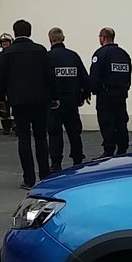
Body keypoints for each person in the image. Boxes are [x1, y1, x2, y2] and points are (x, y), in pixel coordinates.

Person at [0, 20, 57, 189]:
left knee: (24, 138)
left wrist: (1, 99)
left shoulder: (7, 54)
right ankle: (44, 174)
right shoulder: (40, 50)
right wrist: (54, 97)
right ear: (30, 32)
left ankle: (29, 178)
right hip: (39, 100)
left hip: (18, 102)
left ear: (14, 33)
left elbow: (2, 79)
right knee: (41, 137)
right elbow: (49, 76)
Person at [46, 27, 89, 171]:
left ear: (50, 40)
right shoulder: (73, 56)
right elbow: (84, 78)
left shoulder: (48, 57)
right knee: (74, 132)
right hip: (72, 101)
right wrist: (82, 96)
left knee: (54, 133)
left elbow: (44, 81)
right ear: (63, 38)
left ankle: (56, 163)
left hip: (54, 103)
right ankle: (77, 159)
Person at [90, 26, 132, 157]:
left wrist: (92, 90)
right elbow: (128, 74)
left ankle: (108, 150)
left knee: (106, 121)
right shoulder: (124, 54)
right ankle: (122, 148)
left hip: (105, 95)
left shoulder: (100, 54)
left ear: (102, 38)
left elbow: (95, 76)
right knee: (121, 121)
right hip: (121, 95)